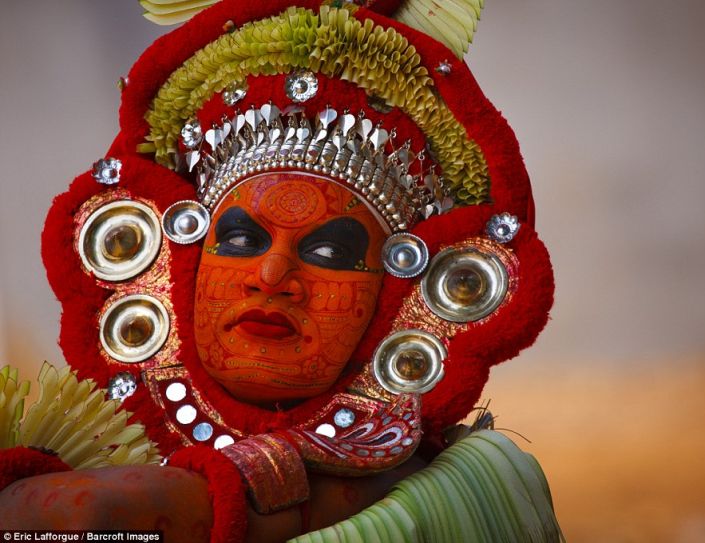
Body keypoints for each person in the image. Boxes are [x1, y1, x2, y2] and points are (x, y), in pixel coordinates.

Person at [0, 1, 561, 541]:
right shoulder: (82, 450)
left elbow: (93, 517)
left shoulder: (468, 493)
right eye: (241, 240)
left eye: (329, 253)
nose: (270, 276)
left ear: (398, 297)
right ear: (178, 261)